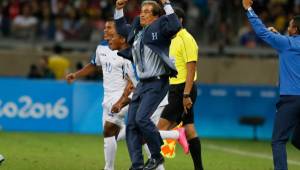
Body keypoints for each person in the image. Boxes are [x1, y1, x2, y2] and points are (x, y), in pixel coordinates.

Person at [114, 0, 181, 169]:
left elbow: (175, 25)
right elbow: (122, 28)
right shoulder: (138, 33)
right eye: (141, 11)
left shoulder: (161, 28)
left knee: (142, 119)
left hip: (157, 81)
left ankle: (157, 155)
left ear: (157, 17)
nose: (142, 14)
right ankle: (137, 165)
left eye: (147, 11)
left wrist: (166, 3)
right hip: (142, 84)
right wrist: (119, 8)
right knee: (131, 125)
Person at [66, 19, 134, 170]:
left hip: (122, 95)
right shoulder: (101, 48)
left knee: (109, 128)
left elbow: (132, 79)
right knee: (109, 134)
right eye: (104, 28)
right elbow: (93, 65)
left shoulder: (127, 51)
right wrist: (76, 75)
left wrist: (123, 99)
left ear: (119, 32)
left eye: (109, 28)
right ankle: (111, 164)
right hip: (107, 96)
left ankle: (109, 167)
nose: (105, 30)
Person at [242, 0, 300, 170]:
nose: (288, 29)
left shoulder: (286, 43)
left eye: (290, 26)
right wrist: (281, 36)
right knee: (297, 140)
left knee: (278, 140)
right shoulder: (287, 42)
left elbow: (261, 32)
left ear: (295, 29)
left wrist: (248, 9)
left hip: (290, 99)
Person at [156, 7, 204, 170]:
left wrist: (185, 94)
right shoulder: (172, 39)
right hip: (176, 89)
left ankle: (156, 165)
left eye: (169, 18)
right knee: (190, 129)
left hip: (182, 90)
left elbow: (191, 68)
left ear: (180, 20)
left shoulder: (186, 39)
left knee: (159, 129)